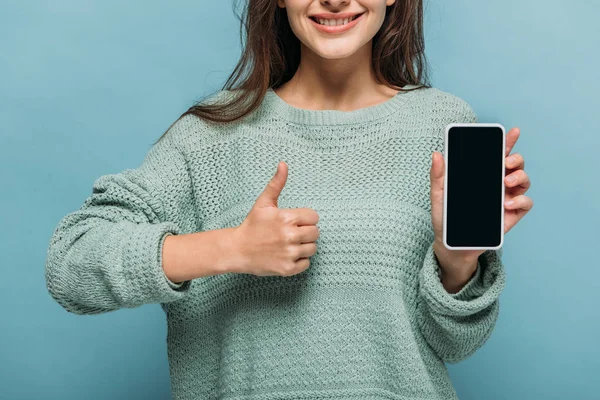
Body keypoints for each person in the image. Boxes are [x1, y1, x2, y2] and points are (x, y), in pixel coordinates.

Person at [45, 0, 534, 399]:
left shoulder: (440, 123)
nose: (336, 0)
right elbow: (70, 266)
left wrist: (457, 261)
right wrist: (230, 249)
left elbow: (456, 343)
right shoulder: (208, 136)